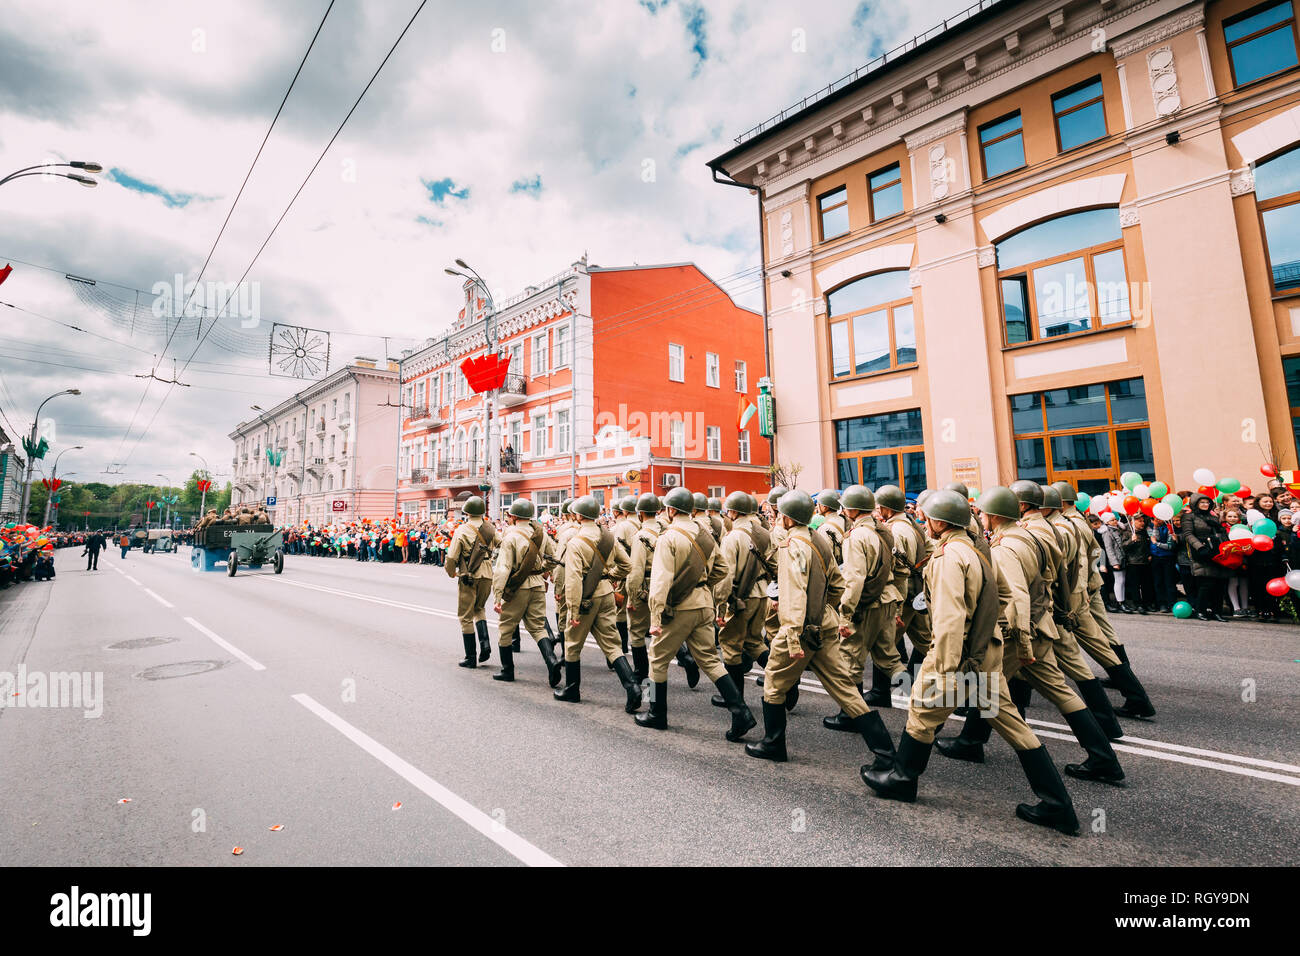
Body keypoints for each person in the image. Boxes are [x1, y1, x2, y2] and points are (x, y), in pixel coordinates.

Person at [861, 489, 1079, 835]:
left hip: (957, 655)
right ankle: (1058, 804)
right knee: (1010, 722)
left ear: (938, 521)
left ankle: (902, 779)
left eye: (927, 517)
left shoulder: (949, 557)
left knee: (921, 711)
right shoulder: (977, 550)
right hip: (984, 653)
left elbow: (949, 619)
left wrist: (944, 671)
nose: (924, 522)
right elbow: (1006, 596)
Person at [935, 487, 1124, 785]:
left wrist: (1021, 642)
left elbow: (1016, 598)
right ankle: (1103, 757)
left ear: (995, 516)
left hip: (1020, 632)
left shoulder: (1006, 547)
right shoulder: (1029, 536)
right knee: (1058, 691)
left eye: (983, 513)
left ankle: (966, 743)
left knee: (987, 687)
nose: (981, 517)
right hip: (1041, 625)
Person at [745, 488, 896, 771]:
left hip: (799, 630)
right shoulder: (819, 539)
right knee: (846, 690)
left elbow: (793, 594)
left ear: (787, 518)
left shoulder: (792, 545)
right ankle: (887, 753)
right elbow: (838, 585)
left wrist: (791, 636)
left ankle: (773, 743)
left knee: (774, 685)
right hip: (824, 625)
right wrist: (826, 612)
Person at [639, 487, 753, 739]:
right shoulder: (704, 535)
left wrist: (655, 618)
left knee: (656, 659)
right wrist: (701, 585)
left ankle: (654, 712)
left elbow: (660, 582)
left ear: (670, 510)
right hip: (704, 604)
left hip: (679, 608)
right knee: (711, 660)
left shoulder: (668, 537)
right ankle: (741, 711)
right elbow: (722, 570)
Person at [553, 495, 639, 710]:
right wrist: (610, 576)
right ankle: (633, 688)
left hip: (585, 597)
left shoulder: (576, 542)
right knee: (612, 644)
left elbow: (573, 580)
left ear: (578, 516)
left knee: (572, 644)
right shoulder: (607, 536)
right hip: (606, 593)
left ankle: (572, 689)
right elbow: (627, 565)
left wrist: (572, 610)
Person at [711, 491, 774, 710]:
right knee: (755, 641)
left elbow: (725, 576)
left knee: (730, 645)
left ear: (734, 511)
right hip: (762, 593)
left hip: (740, 597)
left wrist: (720, 608)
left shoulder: (733, 537)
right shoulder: (764, 534)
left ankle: (735, 699)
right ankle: (786, 681)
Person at [490, 498, 561, 685]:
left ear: (513, 516)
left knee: (505, 628)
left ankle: (507, 670)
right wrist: (542, 570)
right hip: (537, 584)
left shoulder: (511, 536)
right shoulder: (541, 534)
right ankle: (552, 661)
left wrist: (497, 596)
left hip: (517, 586)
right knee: (538, 627)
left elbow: (503, 568)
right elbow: (554, 557)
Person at [446, 496, 498, 668]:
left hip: (468, 574)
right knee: (480, 608)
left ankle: (471, 657)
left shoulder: (462, 529)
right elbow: (502, 545)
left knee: (465, 616)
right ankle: (485, 644)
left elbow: (452, 556)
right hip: (487, 573)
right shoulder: (491, 529)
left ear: (466, 512)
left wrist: (451, 572)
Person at [624, 493, 666, 685]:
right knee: (661, 634)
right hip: (665, 586)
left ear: (640, 513)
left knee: (636, 632)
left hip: (645, 588)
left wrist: (631, 598)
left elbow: (636, 571)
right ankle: (687, 659)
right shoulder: (667, 530)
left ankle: (640, 672)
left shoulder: (641, 535)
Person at [1181, 492, 1231, 622]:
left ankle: (1217, 612)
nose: (1205, 504)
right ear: (1196, 504)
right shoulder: (1189, 517)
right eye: (1202, 502)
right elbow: (1188, 534)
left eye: (1207, 502)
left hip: (1216, 550)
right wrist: (1199, 547)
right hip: (1201, 551)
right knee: (1206, 584)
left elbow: (1221, 533)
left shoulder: (1213, 517)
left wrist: (1220, 529)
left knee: (1219, 583)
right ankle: (1201, 610)